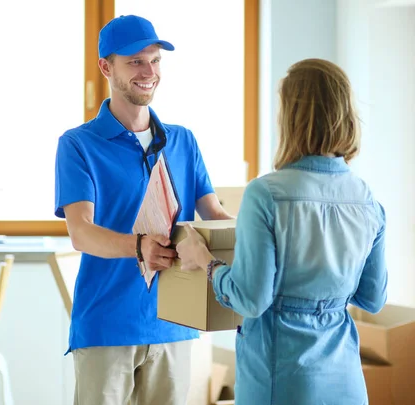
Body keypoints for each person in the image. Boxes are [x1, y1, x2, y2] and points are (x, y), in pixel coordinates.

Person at [176, 58, 388, 405]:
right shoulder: (367, 200)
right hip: (346, 382)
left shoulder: (266, 194)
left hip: (283, 379)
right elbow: (373, 298)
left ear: (290, 118)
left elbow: (251, 299)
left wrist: (205, 261)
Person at [54, 14, 233, 405]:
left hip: (174, 324)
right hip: (106, 326)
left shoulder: (183, 141)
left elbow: (216, 215)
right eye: (135, 61)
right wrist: (139, 247)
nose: (148, 71)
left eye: (155, 60)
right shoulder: (78, 145)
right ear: (106, 66)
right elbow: (80, 231)